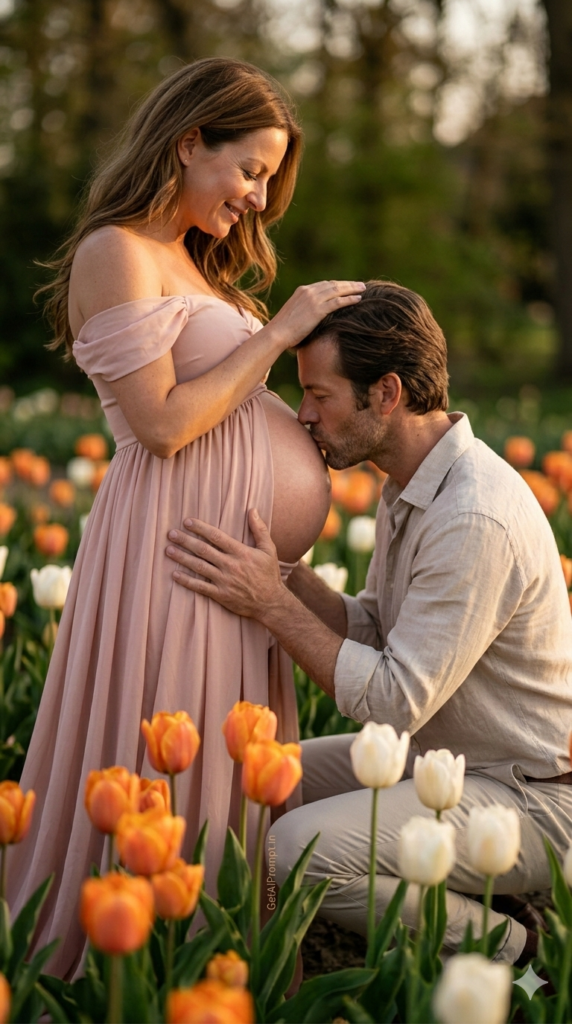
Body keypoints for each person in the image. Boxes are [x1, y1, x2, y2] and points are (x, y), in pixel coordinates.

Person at [6, 56, 366, 979]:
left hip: (232, 572)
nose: (257, 197)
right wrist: (281, 332)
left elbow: (231, 411)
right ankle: (130, 966)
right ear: (186, 142)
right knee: (171, 759)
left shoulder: (200, 271)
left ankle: (214, 971)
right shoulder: (116, 250)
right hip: (171, 557)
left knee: (225, 778)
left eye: (269, 182)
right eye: (250, 170)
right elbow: (165, 425)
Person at [166, 279, 572, 965]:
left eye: (320, 395)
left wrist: (270, 604)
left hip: (529, 799)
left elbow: (392, 699)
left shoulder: (472, 515)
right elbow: (375, 628)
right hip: (451, 765)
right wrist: (285, 574)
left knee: (290, 851)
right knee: (266, 777)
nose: (303, 416)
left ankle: (510, 945)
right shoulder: (410, 484)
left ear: (385, 393)